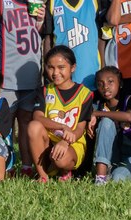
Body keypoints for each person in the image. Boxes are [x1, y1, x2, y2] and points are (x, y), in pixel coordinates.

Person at [25, 46, 94, 181]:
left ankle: (64, 170)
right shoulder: (44, 91)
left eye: (61, 67)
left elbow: (80, 129)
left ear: (72, 68)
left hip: (72, 143)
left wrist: (65, 142)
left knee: (61, 159)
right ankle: (43, 176)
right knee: (33, 126)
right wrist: (62, 127)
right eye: (51, 67)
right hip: (49, 140)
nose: (55, 72)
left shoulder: (84, 94)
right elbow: (37, 117)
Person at [48, 0, 102, 91]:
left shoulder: (94, 1)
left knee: (90, 110)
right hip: (61, 74)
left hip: (90, 71)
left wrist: (103, 64)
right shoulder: (54, 1)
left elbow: (101, 36)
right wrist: (47, 65)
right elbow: (47, 38)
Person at [90, 64, 131, 184]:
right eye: (100, 84)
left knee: (118, 178)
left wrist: (97, 114)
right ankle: (100, 177)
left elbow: (129, 117)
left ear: (120, 83)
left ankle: (117, 173)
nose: (105, 87)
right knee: (106, 123)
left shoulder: (129, 100)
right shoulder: (98, 104)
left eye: (110, 82)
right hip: (113, 159)